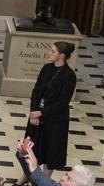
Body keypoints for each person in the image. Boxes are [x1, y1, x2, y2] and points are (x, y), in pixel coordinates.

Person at [26, 41, 77, 169]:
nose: (49, 53)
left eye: (53, 51)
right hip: (37, 115)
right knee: (32, 148)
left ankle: (44, 183)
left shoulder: (69, 75)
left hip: (55, 120)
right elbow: (36, 91)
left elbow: (62, 102)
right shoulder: (46, 68)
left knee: (51, 152)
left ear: (62, 55)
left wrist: (41, 113)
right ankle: (26, 176)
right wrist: (34, 112)